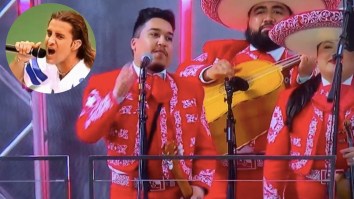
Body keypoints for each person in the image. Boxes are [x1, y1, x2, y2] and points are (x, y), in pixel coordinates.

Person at [176, 0, 340, 198]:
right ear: (248, 20)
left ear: (291, 20)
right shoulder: (224, 53)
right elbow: (180, 78)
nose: (268, 18)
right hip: (222, 179)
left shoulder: (312, 66)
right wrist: (208, 73)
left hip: (281, 181)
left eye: (278, 11)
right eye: (260, 11)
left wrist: (303, 80)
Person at [76, 7, 216, 199]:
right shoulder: (105, 84)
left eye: (168, 38)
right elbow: (86, 132)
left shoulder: (190, 89)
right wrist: (115, 96)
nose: (162, 42)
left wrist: (199, 187)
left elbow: (205, 148)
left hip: (178, 193)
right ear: (134, 44)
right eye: (154, 35)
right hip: (126, 193)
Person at [263, 9, 354, 199]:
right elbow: (275, 161)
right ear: (316, 56)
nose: (335, 53)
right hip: (303, 191)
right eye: (327, 46)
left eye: (343, 45)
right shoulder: (292, 98)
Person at [9, 10, 96, 93]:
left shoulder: (85, 77)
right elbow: (12, 81)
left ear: (75, 44)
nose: (50, 41)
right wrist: (21, 58)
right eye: (49, 34)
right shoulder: (44, 64)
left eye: (60, 36)